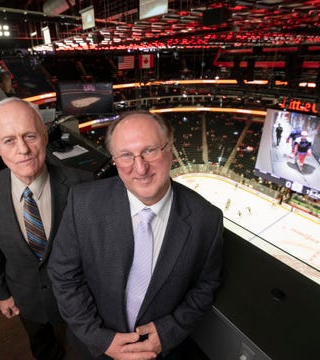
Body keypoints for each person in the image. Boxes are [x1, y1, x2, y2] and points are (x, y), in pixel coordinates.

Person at [48, 111, 223, 360]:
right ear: (114, 159)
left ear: (170, 150)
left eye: (150, 150)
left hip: (161, 352)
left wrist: (169, 331)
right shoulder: (82, 202)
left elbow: (206, 286)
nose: (140, 168)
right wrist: (100, 338)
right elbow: (64, 276)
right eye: (126, 155)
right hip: (95, 348)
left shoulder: (207, 219)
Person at [0, 97, 93, 359]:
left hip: (83, 295)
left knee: (88, 347)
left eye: (30, 136)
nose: (22, 149)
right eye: (9, 140)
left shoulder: (85, 185)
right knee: (43, 349)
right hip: (26, 294)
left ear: (44, 135)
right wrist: (1, 293)